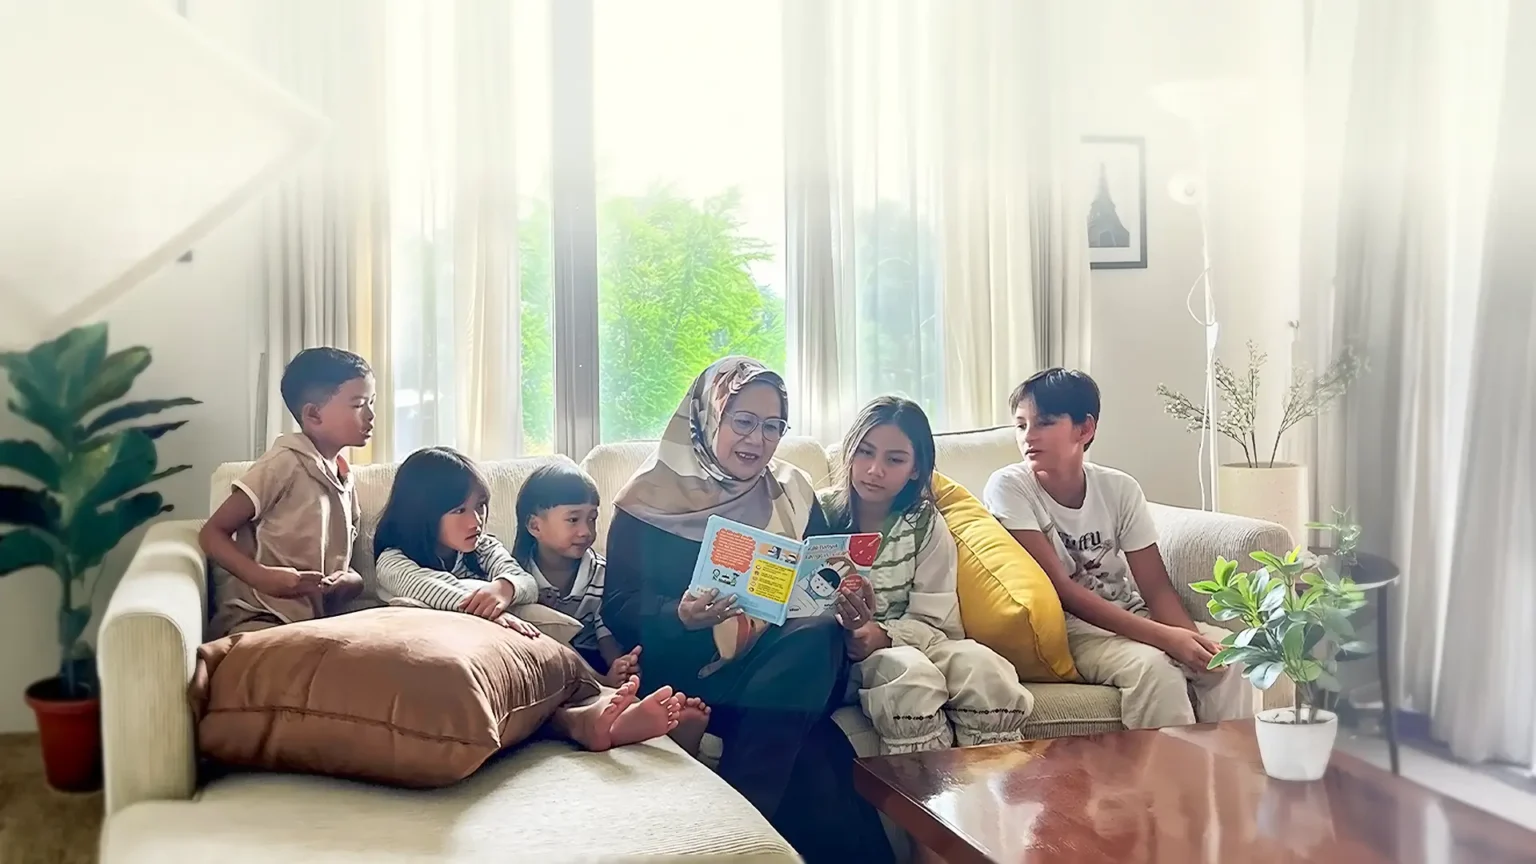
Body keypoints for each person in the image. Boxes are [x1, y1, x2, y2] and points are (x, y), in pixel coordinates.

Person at [602, 356, 894, 864]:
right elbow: (617, 606)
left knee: (817, 633)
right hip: (690, 674)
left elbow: (825, 577)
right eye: (743, 421)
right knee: (819, 764)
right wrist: (679, 614)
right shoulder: (648, 496)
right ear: (708, 417)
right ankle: (744, 825)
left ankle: (737, 825)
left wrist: (852, 611)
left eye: (772, 426)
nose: (757, 440)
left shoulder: (793, 490)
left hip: (786, 667)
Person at [982, 368, 1252, 729]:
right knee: (1156, 671)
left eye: (1044, 422)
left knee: (1232, 660)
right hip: (1072, 630)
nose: (1028, 436)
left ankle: (1230, 764)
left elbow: (1156, 587)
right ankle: (1172, 769)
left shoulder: (1119, 488)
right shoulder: (1009, 488)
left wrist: (1190, 641)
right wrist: (1165, 639)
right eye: (1020, 425)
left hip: (1131, 614)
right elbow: (1063, 590)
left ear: (1085, 429)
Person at [816, 396, 1036, 753]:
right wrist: (856, 635)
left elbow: (937, 620)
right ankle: (924, 786)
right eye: (865, 452)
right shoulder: (819, 513)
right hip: (844, 657)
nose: (875, 470)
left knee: (985, 669)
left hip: (916, 640)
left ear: (916, 469)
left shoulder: (924, 522)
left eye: (894, 459)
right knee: (911, 677)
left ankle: (993, 780)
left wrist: (884, 635)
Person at [200, 347, 372, 639]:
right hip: (260, 618)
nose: (371, 415)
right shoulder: (282, 464)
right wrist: (262, 577)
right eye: (358, 405)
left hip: (315, 625)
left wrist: (352, 582)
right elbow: (211, 533)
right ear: (313, 414)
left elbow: (344, 562)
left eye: (372, 402)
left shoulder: (344, 478)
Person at [371, 446, 544, 636]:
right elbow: (429, 588)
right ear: (421, 514)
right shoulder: (392, 561)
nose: (476, 521)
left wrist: (504, 588)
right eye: (459, 511)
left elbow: (527, 582)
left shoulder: (484, 547)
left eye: (480, 505)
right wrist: (488, 610)